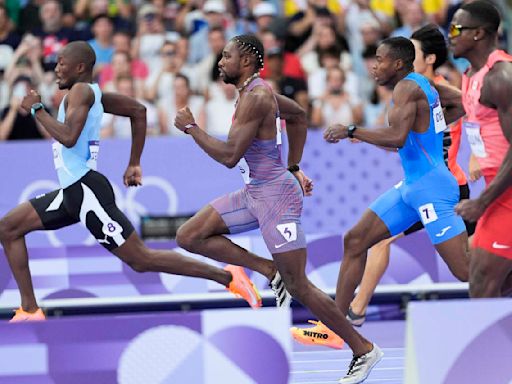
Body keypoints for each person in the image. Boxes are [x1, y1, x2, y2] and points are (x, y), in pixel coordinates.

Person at [0, 41, 262, 323]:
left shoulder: (80, 91)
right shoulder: (91, 93)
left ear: (80, 67)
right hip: (72, 192)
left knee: (141, 259)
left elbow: (68, 137)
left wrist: (38, 109)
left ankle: (227, 276)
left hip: (85, 192)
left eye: (62, 63)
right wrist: (134, 162)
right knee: (9, 228)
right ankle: (30, 309)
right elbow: (138, 111)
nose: (57, 69)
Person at [174, 34, 383, 384]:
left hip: (276, 199)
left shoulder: (256, 97)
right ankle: (268, 270)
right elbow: (299, 115)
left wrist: (192, 128)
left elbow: (229, 157)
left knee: (299, 285)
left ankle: (364, 349)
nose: (220, 61)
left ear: (246, 62)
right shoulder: (256, 93)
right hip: (255, 192)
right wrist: (295, 166)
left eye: (226, 56)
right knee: (189, 235)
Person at [291, 37, 470, 348]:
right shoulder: (420, 84)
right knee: (356, 239)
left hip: (432, 189)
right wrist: (431, 129)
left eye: (380, 59)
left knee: (466, 271)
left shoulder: (408, 88)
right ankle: (333, 326)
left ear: (398, 63)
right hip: (413, 186)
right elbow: (460, 103)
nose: (373, 66)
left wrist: (351, 131)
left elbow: (398, 137)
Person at [346, 24, 476, 327]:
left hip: (443, 187)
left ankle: (355, 311)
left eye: (412, 51)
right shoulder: (414, 90)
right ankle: (354, 312)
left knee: (468, 266)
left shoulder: (434, 91)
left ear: (428, 59)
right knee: (474, 260)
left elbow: (462, 117)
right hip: (431, 185)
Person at [450, 0, 512, 297]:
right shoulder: (471, 76)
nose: (450, 34)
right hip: (497, 188)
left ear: (478, 34)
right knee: (496, 289)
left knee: (482, 287)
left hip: (505, 195)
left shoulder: (500, 77)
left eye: (456, 28)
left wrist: (482, 202)